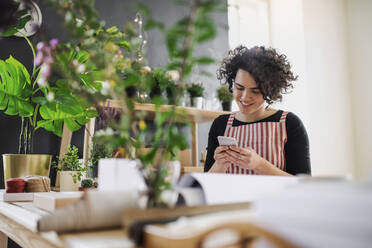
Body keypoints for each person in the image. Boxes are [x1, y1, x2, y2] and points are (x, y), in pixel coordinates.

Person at [204, 45, 311, 176]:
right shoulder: (220, 124)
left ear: (270, 90)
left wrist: (258, 165)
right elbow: (208, 182)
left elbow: (303, 185)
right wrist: (219, 165)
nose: (244, 97)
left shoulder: (289, 123)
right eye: (239, 87)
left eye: (255, 91)